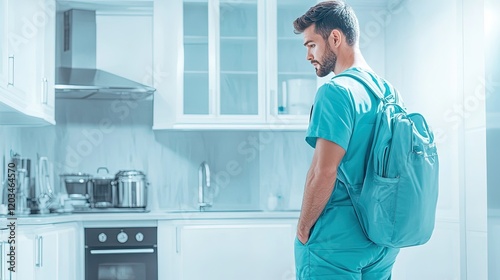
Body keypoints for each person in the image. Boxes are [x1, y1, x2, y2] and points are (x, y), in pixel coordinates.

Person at [293, 1, 401, 279]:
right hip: (382, 241)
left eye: (311, 45)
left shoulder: (336, 91)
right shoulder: (388, 92)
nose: (308, 55)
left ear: (335, 38)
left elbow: (323, 171)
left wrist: (304, 230)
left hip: (335, 243)